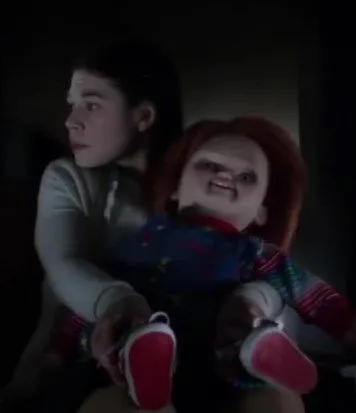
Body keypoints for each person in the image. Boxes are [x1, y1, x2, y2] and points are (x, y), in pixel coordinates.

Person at [0, 40, 309, 413]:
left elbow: (267, 267)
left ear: (144, 116)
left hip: (210, 358)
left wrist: (252, 304)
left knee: (275, 400)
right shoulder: (70, 179)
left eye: (91, 105)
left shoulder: (201, 178)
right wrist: (119, 303)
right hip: (96, 357)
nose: (71, 120)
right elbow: (63, 262)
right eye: (72, 104)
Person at [52, 117, 356, 412]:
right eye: (208, 165)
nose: (225, 175)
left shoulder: (255, 252)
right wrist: (60, 348)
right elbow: (96, 291)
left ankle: (258, 352)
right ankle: (148, 360)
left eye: (247, 177)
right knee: (123, 340)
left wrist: (347, 326)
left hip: (219, 367)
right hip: (141, 350)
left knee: (253, 365)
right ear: (176, 186)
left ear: (261, 211)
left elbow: (311, 293)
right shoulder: (138, 241)